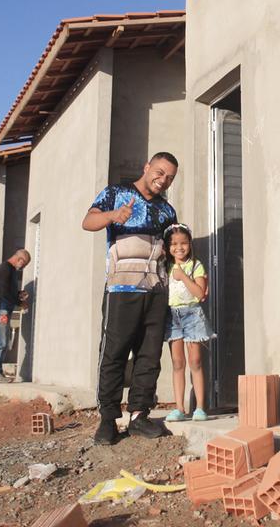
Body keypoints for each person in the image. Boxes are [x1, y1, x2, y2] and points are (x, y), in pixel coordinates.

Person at [82, 151, 179, 445]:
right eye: (159, 172)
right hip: (121, 290)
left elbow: (174, 247)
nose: (163, 180)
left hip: (156, 290)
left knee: (149, 355)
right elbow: (88, 222)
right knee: (114, 353)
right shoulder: (116, 193)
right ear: (146, 166)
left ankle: (139, 415)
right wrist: (113, 216)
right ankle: (108, 420)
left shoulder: (167, 210)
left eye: (170, 178)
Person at [161, 223, 211, 422]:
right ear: (167, 247)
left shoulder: (196, 265)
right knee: (177, 362)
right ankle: (180, 408)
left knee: (195, 361)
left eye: (183, 243)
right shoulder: (165, 266)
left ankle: (199, 407)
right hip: (172, 316)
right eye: (173, 244)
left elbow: (199, 294)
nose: (179, 247)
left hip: (192, 315)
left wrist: (182, 275)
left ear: (190, 244)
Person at [0, 249, 30, 382]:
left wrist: (18, 295)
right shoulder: (6, 268)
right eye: (24, 264)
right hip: (0, 310)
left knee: (3, 342)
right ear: (20, 260)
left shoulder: (9, 270)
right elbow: (4, 293)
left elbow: (6, 292)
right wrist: (18, 303)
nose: (22, 267)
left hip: (2, 310)